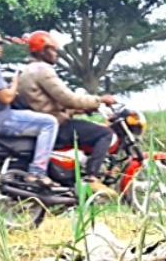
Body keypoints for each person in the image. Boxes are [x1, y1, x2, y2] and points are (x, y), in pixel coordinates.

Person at [17, 31, 117, 190]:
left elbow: (50, 103)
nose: (57, 54)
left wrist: (81, 110)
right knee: (105, 134)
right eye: (53, 50)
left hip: (41, 123)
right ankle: (92, 178)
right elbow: (68, 98)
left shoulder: (26, 71)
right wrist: (99, 100)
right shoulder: (42, 70)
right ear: (43, 50)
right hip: (57, 126)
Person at [0, 28, 58, 181]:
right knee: (49, 122)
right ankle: (38, 171)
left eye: (0, 43)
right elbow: (6, 98)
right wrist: (15, 82)